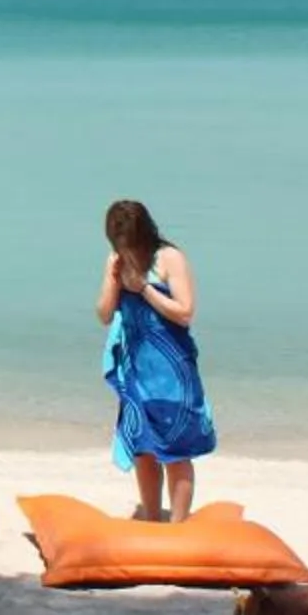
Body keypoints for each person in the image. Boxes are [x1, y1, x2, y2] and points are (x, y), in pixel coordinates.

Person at [96, 197, 212, 520]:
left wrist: (144, 288)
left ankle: (177, 524)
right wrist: (112, 279)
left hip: (173, 371)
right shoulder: (116, 260)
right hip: (136, 371)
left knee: (176, 450)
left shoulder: (169, 258)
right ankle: (150, 517)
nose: (124, 248)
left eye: (129, 242)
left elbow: (185, 312)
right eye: (118, 243)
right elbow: (104, 315)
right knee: (143, 449)